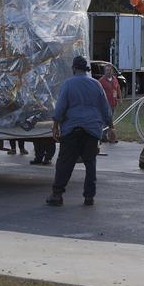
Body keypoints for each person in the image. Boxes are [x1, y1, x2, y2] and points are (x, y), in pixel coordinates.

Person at [47, 55, 115, 206]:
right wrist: (111, 127)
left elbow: (60, 108)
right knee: (90, 162)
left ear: (74, 68)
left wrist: (56, 125)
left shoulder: (68, 84)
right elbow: (105, 108)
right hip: (91, 130)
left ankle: (57, 194)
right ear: (86, 69)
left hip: (72, 129)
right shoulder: (96, 84)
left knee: (65, 162)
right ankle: (89, 196)